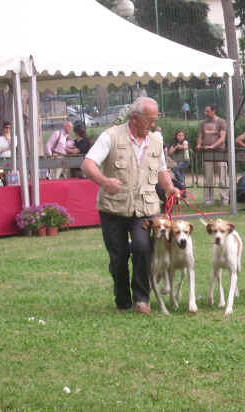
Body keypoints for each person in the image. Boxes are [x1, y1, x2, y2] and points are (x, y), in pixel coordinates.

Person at [81, 97, 180, 314]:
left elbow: (162, 169)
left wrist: (170, 187)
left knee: (143, 248)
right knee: (118, 256)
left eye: (155, 120)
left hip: (145, 209)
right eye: (149, 120)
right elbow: (88, 164)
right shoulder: (111, 136)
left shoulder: (155, 140)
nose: (153, 125)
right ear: (134, 118)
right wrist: (105, 182)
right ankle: (123, 300)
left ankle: (142, 299)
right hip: (112, 208)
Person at [196, 105, 228, 205]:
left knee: (222, 176)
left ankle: (225, 198)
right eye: (205, 111)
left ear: (214, 111)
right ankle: (208, 199)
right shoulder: (203, 123)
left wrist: (212, 146)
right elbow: (200, 135)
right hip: (207, 153)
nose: (206, 113)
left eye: (208, 111)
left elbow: (222, 138)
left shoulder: (221, 122)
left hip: (219, 152)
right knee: (208, 177)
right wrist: (199, 144)